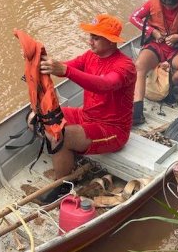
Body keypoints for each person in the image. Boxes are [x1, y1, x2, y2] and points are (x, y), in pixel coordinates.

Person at [32, 14, 136, 204]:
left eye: (96, 38)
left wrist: (66, 71)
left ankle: (63, 185)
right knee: (36, 118)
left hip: (112, 129)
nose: (90, 42)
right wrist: (42, 65)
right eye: (90, 37)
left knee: (60, 134)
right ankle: (68, 156)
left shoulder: (125, 66)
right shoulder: (91, 56)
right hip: (86, 115)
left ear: (112, 41)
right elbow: (66, 66)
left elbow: (104, 84)